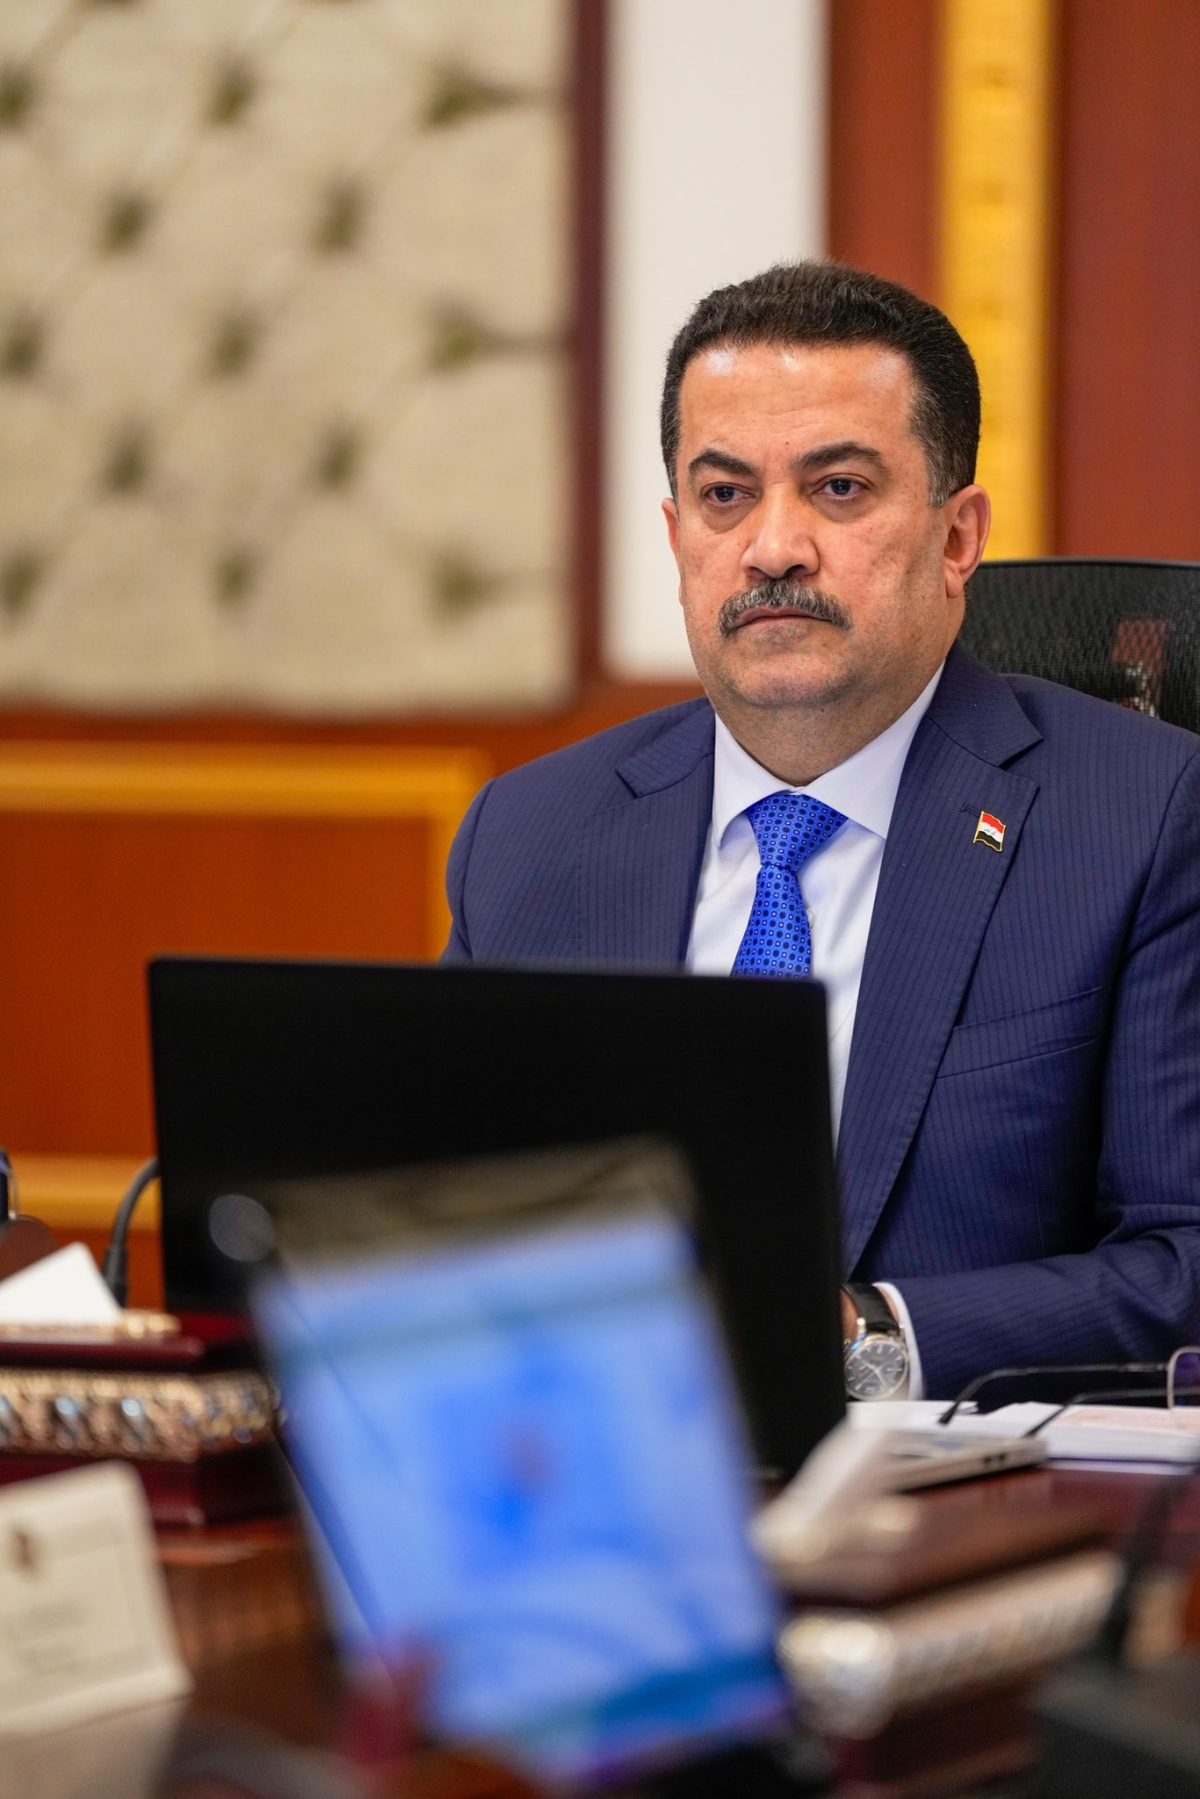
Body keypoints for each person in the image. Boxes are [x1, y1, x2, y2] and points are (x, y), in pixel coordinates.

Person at [442, 260, 1200, 1401]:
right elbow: (438, 1215)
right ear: (677, 536)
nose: (773, 547)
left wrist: (856, 1336)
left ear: (958, 539)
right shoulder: (532, 832)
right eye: (725, 495)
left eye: (839, 488)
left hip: (962, 1480)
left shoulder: (1142, 818)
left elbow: (1184, 1258)